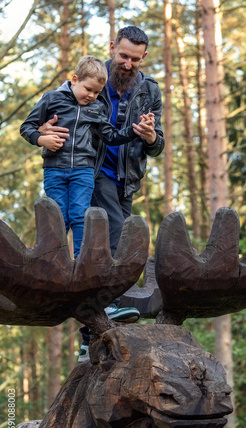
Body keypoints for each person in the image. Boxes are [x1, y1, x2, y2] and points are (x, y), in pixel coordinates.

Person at [37, 26, 165, 361]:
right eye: (123, 55)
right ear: (112, 48)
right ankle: (96, 327)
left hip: (127, 180)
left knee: (109, 250)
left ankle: (91, 337)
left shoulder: (149, 89)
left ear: (144, 58)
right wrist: (42, 132)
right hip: (91, 175)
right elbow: (56, 112)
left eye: (135, 59)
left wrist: (149, 135)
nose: (127, 63)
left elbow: (157, 146)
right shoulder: (93, 80)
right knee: (107, 248)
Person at [21, 55, 150, 259]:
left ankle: (81, 260)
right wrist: (41, 140)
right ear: (74, 79)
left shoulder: (97, 108)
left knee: (81, 214)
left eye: (97, 92)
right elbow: (26, 127)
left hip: (84, 170)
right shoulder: (51, 99)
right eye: (88, 89)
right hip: (54, 168)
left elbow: (110, 136)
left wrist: (135, 131)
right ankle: (54, 260)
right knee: (58, 216)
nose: (91, 95)